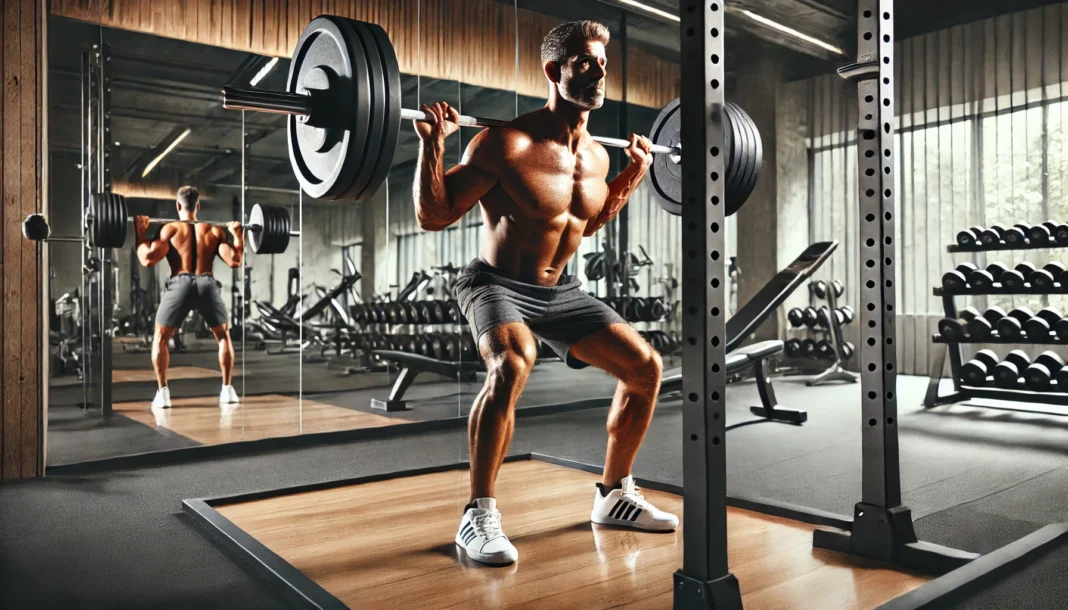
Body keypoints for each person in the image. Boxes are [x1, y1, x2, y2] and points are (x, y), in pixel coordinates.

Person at [414, 20, 676, 566]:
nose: (599, 69)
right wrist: (434, 148)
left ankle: (613, 495)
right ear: (554, 72)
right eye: (584, 61)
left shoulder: (599, 158)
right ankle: (478, 514)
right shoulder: (504, 144)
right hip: (494, 283)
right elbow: (434, 215)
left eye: (602, 61)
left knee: (645, 368)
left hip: (562, 292)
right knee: (512, 362)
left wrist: (633, 174)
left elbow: (589, 221)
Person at [135, 186, 244, 409]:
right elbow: (235, 261)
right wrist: (238, 237)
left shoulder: (170, 229)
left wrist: (140, 233)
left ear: (178, 205)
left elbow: (147, 259)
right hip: (207, 283)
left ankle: (163, 393)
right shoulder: (214, 231)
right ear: (198, 206)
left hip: (180, 283)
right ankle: (227, 390)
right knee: (224, 336)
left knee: (161, 338)